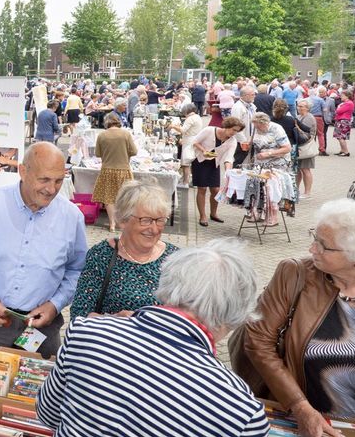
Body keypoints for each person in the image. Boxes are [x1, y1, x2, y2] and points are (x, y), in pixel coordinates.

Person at [38, 238, 269, 437]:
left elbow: (46, 413)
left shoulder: (87, 332)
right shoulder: (241, 409)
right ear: (235, 314)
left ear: (169, 282)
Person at [243, 199, 355, 435]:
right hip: (292, 420)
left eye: (324, 246)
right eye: (315, 238)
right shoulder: (293, 274)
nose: (312, 249)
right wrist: (299, 406)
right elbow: (258, 341)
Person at [0, 142, 87, 358]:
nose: (51, 189)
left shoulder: (72, 217)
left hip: (42, 326)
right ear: (23, 171)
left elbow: (76, 270)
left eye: (59, 180)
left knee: (40, 389)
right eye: (44, 179)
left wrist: (55, 304)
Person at [69, 181, 179, 319]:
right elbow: (79, 314)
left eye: (160, 220)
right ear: (123, 220)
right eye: (145, 220)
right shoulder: (101, 255)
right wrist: (113, 319)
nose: (154, 229)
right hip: (111, 339)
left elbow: (193, 312)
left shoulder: (176, 258)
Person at [191, 116, 244, 227]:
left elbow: (229, 158)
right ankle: (202, 216)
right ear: (227, 126)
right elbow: (194, 141)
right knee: (202, 189)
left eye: (237, 131)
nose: (234, 133)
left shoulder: (233, 141)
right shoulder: (209, 130)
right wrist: (204, 151)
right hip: (200, 160)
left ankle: (213, 213)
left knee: (215, 190)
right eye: (233, 129)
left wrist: (228, 172)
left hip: (214, 163)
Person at [91, 113, 137, 233]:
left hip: (107, 169)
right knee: (125, 197)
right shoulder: (126, 134)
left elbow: (97, 154)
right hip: (124, 169)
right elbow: (134, 151)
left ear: (107, 122)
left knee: (109, 198)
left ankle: (112, 223)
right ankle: (123, 221)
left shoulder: (102, 135)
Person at [169, 103, 201, 187]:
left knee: (185, 163)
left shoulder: (190, 119)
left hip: (189, 141)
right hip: (193, 139)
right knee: (190, 161)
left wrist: (173, 126)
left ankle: (185, 182)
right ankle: (190, 180)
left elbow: (183, 130)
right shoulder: (197, 117)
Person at [295, 99, 318, 199]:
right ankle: (296, 190)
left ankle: (307, 192)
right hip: (300, 146)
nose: (299, 108)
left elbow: (306, 133)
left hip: (306, 146)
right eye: (298, 106)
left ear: (307, 108)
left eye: (301, 106)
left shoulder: (309, 117)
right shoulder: (299, 116)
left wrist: (296, 127)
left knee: (305, 169)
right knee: (298, 169)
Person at [231, 85, 258, 168]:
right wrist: (243, 141)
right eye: (252, 94)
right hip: (242, 140)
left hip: (251, 139)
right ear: (245, 95)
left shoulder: (252, 106)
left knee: (249, 162)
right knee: (238, 161)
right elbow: (236, 125)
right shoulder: (238, 107)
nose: (254, 96)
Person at [333, 90, 354, 157]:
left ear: (347, 96)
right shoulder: (346, 103)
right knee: (339, 137)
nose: (341, 97)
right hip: (341, 121)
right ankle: (342, 150)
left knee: (341, 137)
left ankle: (346, 152)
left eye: (342, 95)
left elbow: (338, 111)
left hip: (343, 121)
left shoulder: (348, 103)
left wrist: (338, 107)